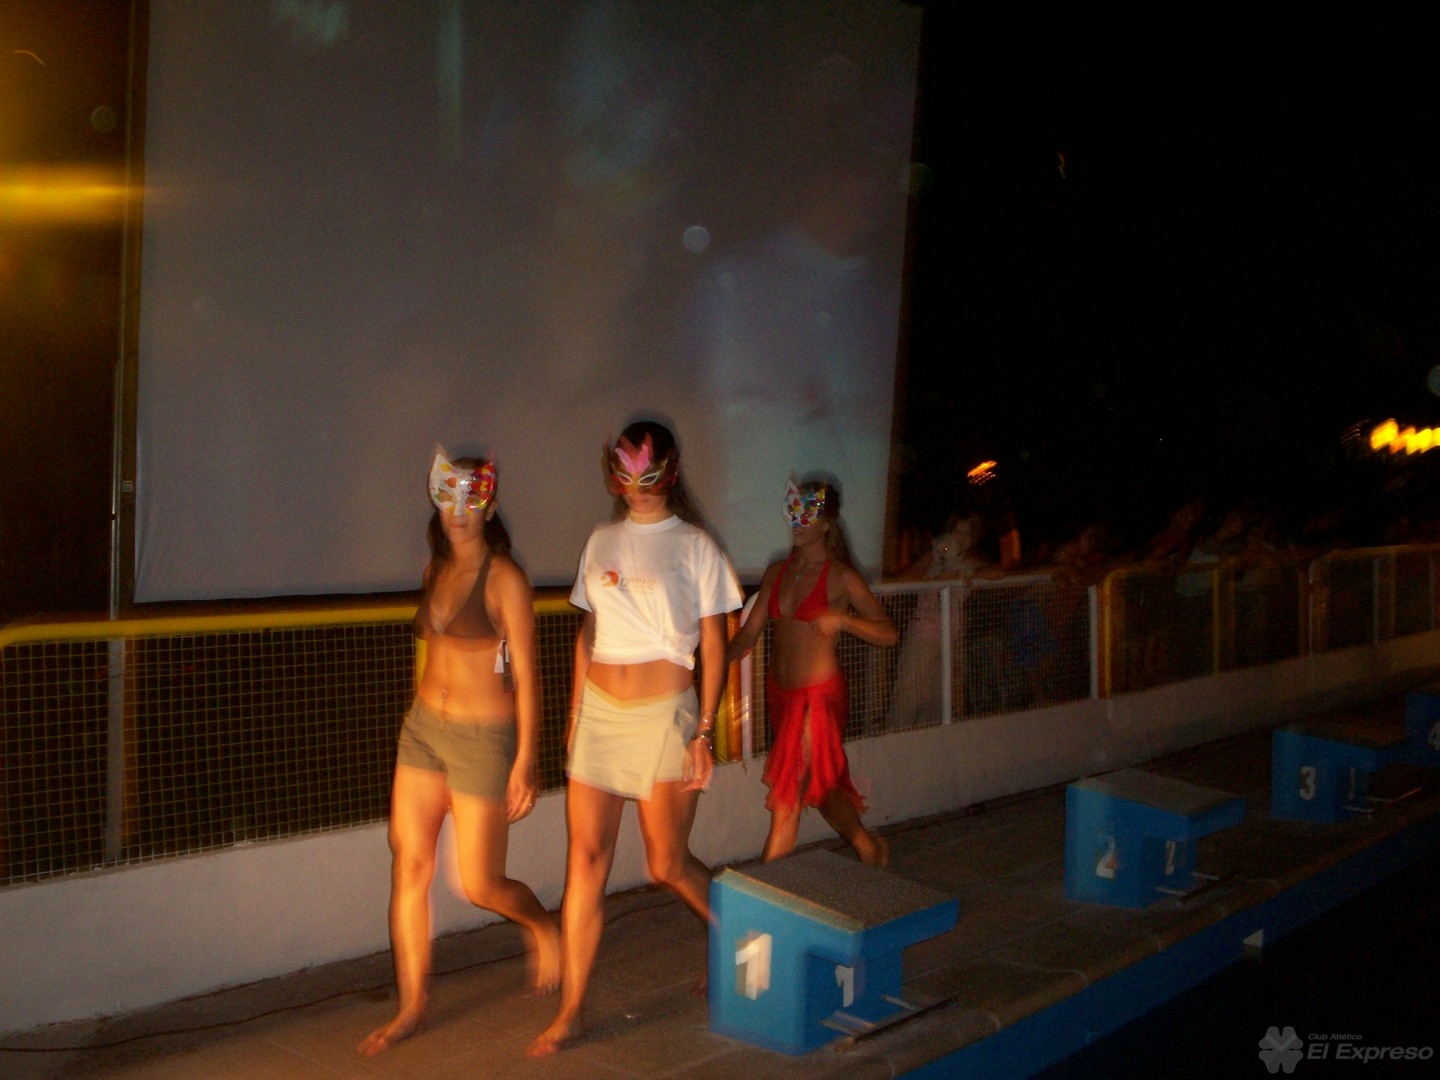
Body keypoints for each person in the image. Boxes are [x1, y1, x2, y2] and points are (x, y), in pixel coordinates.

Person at [528, 420, 742, 1057]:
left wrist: (704, 731)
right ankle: (571, 1011)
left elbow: (714, 645)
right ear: (613, 474)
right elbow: (589, 631)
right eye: (625, 471)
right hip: (600, 714)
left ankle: (741, 937)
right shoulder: (601, 540)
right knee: (584, 863)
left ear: (670, 473)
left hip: (664, 713)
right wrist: (575, 713)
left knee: (666, 863)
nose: (637, 484)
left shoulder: (696, 545)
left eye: (648, 471)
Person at [360, 451, 559, 1056]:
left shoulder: (506, 579)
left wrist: (526, 762)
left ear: (490, 508)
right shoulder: (436, 567)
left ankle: (542, 924)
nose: (459, 510)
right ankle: (412, 1006)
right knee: (409, 865)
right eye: (448, 497)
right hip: (424, 731)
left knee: (481, 883)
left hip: (483, 739)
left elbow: (527, 674)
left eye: (472, 499)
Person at [728, 479, 897, 865]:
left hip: (818, 698)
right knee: (820, 787)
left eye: (808, 515)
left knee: (788, 797)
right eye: (793, 514)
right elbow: (749, 635)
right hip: (782, 697)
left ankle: (765, 891)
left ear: (827, 522)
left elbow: (889, 633)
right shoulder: (777, 572)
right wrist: (713, 667)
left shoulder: (841, 576)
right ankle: (869, 848)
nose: (798, 522)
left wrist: (844, 620)